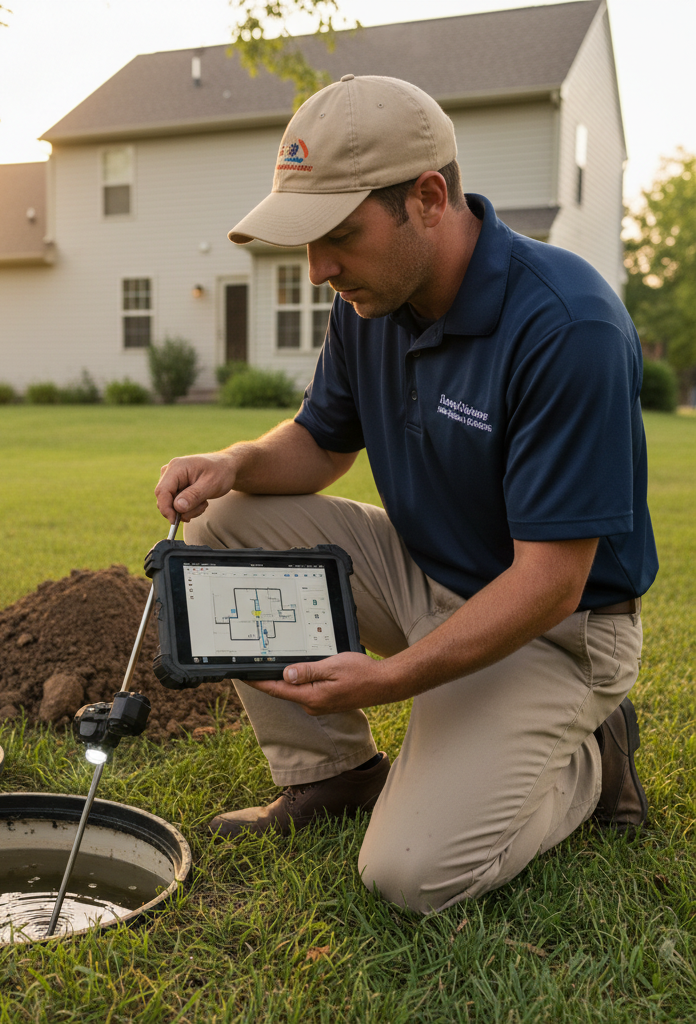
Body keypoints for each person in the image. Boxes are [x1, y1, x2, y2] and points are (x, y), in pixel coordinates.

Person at [154, 75, 657, 915]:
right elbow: (319, 444)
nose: (317, 270)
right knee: (222, 522)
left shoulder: (567, 328)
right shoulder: (370, 299)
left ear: (428, 198)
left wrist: (390, 681)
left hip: (556, 628)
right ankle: (335, 778)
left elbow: (551, 582)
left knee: (411, 875)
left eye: (339, 236)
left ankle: (592, 760)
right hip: (421, 569)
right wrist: (234, 462)